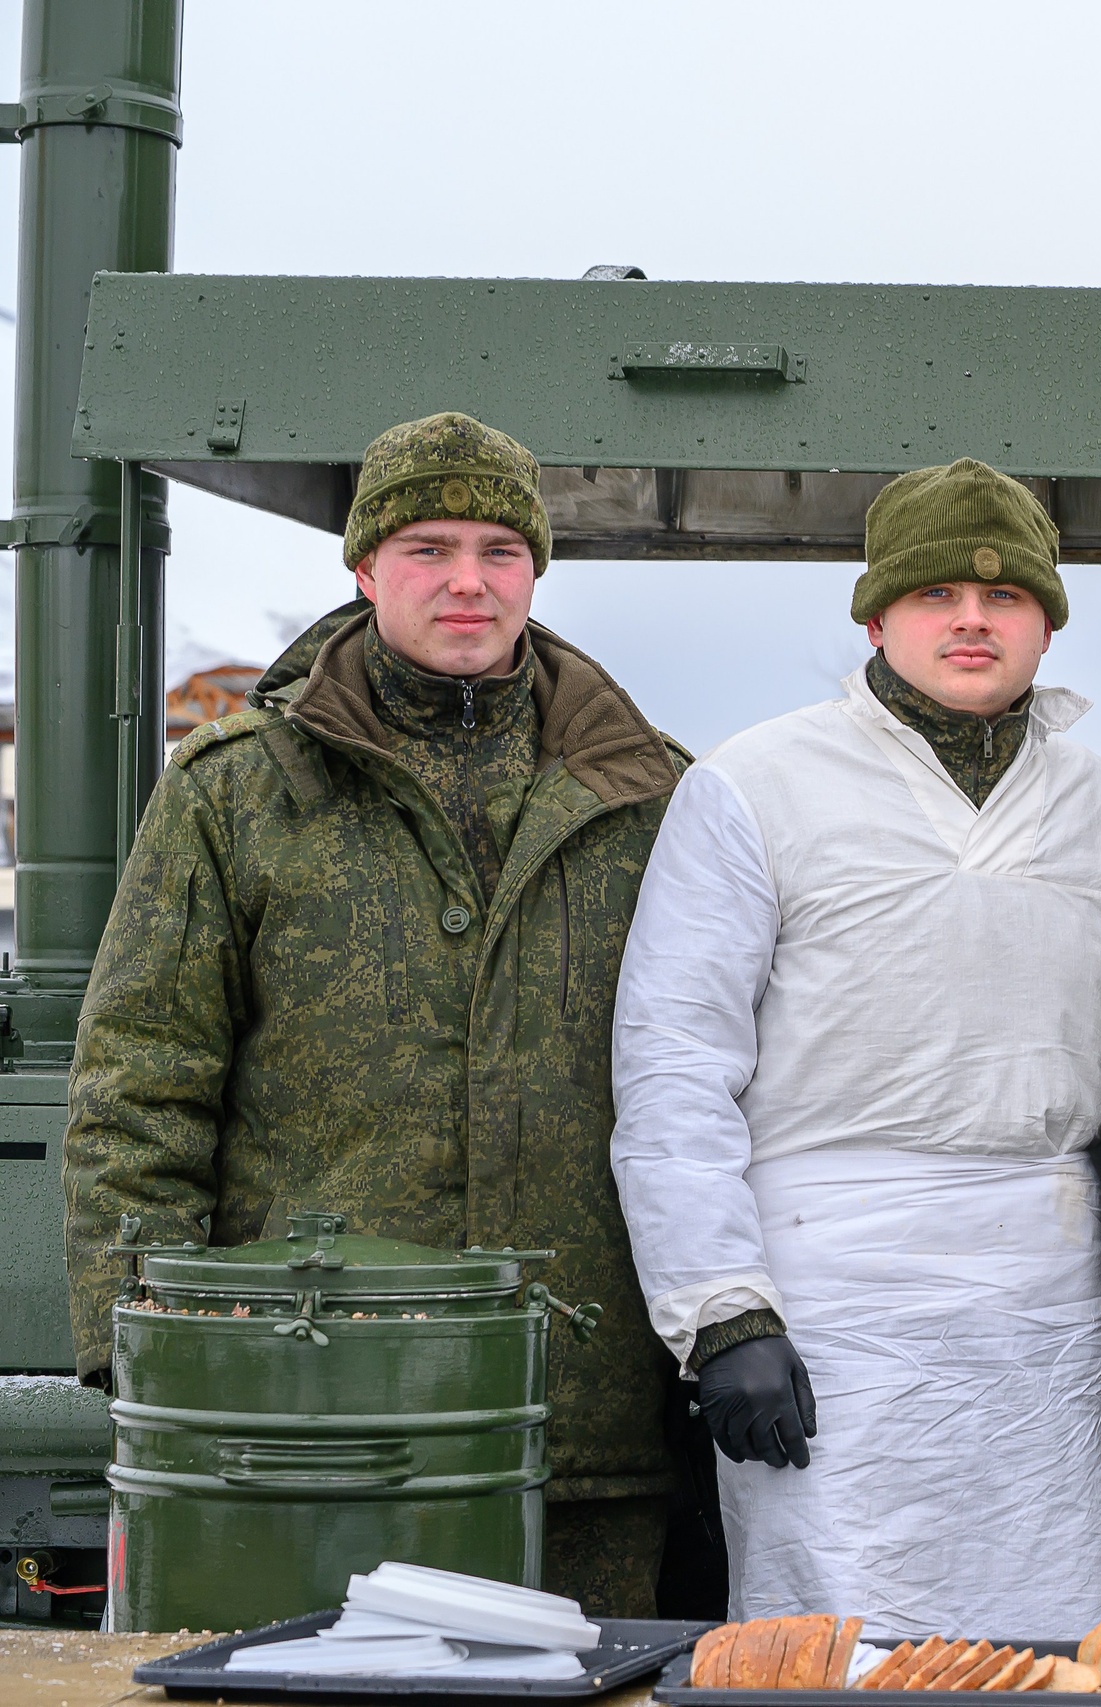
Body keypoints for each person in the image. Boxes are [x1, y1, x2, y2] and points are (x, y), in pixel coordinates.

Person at [64, 413, 688, 1616]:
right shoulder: (239, 789)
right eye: (428, 549)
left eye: (500, 550)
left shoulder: (651, 791)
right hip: (309, 1416)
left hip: (584, 1419)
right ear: (362, 568)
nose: (468, 581)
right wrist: (145, 1345)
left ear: (538, 569)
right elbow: (139, 1079)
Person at [610, 458, 1101, 1634]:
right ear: (879, 615)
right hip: (829, 1307)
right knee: (847, 1644)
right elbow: (675, 1064)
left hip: (1055, 1312)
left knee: (1093, 1639)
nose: (973, 621)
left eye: (1006, 600)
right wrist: (722, 1314)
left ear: (1048, 624)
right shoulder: (755, 785)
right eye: (937, 597)